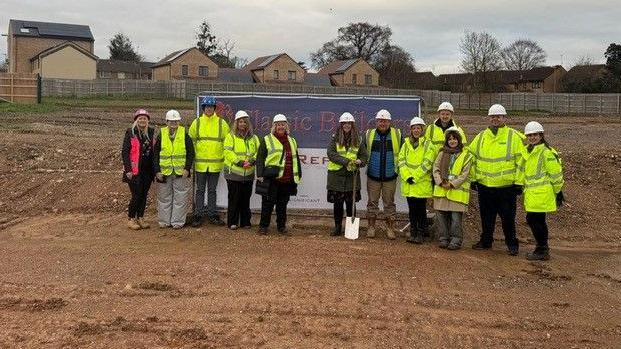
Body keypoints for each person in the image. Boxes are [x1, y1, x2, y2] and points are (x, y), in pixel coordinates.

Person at [469, 104, 525, 256]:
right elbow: (471, 158)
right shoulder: (481, 137)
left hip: (506, 188)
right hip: (485, 186)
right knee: (486, 217)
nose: (495, 119)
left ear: (504, 118)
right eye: (493, 116)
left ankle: (512, 244)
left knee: (508, 219)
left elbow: (521, 161)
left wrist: (519, 182)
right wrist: (473, 179)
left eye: (498, 116)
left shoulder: (514, 136)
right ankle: (486, 241)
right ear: (489, 118)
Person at [517, 121, 564, 260]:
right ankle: (542, 248)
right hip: (532, 194)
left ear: (541, 135)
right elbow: (523, 171)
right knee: (535, 220)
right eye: (529, 135)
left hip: (541, 194)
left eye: (535, 135)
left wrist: (558, 191)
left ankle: (542, 249)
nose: (532, 137)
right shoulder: (528, 150)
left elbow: (556, 174)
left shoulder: (546, 152)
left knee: (535, 220)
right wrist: (518, 184)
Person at [255, 114, 302, 235]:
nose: (281, 127)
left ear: (286, 126)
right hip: (271, 177)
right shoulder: (267, 139)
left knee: (282, 205)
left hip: (287, 179)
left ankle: (281, 227)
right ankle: (263, 226)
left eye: (283, 124)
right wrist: (260, 174)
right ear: (274, 126)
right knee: (267, 203)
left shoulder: (292, 140)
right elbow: (260, 158)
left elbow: (295, 159)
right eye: (278, 125)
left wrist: (297, 175)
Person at [189, 96, 230, 227]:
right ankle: (198, 215)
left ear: (214, 109)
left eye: (211, 107)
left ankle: (212, 214)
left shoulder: (221, 123)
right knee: (200, 190)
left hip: (215, 165)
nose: (209, 109)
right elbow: (191, 142)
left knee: (212, 190)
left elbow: (227, 143)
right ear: (203, 108)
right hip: (200, 164)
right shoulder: (197, 122)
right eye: (207, 107)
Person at [326, 112, 368, 236]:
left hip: (351, 178)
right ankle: (337, 227)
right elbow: (331, 153)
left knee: (351, 204)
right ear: (341, 124)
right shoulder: (335, 138)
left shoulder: (358, 139)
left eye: (349, 123)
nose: (347, 125)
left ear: (352, 125)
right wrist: (347, 161)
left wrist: (361, 161)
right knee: (338, 204)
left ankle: (350, 229)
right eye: (344, 123)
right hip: (336, 177)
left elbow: (364, 156)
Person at [432, 127, 473, 250]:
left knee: (456, 218)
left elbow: (465, 174)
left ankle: (456, 240)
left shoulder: (466, 155)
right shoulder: (441, 153)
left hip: (456, 192)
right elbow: (436, 168)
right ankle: (443, 238)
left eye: (454, 139)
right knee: (441, 216)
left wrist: (452, 184)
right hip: (441, 191)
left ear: (459, 140)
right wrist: (440, 182)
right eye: (449, 139)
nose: (452, 141)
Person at [363, 109, 402, 239]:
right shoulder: (369, 134)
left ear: (389, 122)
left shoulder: (397, 134)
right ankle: (371, 227)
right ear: (376, 121)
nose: (382, 123)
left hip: (390, 176)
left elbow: (404, 153)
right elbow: (362, 152)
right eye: (380, 121)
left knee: (389, 204)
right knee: (372, 203)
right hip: (373, 176)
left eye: (385, 121)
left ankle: (390, 229)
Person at [153, 110, 195, 229]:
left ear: (179, 121)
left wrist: (187, 168)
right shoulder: (161, 134)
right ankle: (164, 221)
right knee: (164, 198)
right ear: (166, 122)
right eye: (171, 121)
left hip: (180, 172)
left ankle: (177, 222)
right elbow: (155, 154)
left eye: (176, 121)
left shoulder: (184, 133)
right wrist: (157, 171)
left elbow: (190, 152)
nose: (173, 123)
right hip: (164, 172)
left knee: (180, 198)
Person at [398, 117, 437, 243]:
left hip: (421, 184)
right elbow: (401, 161)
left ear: (422, 129)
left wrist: (414, 176)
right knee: (412, 210)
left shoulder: (428, 145)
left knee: (420, 210)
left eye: (418, 128)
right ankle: (413, 232)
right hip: (409, 183)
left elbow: (427, 163)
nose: (416, 130)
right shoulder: (405, 144)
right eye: (414, 128)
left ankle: (420, 233)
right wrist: (407, 176)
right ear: (410, 130)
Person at [223, 110, 260, 230]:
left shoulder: (254, 138)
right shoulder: (230, 136)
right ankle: (232, 222)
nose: (243, 124)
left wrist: (253, 161)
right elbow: (227, 152)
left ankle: (245, 222)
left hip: (248, 174)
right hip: (234, 173)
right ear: (236, 123)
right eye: (240, 122)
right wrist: (239, 162)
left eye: (245, 122)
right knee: (234, 199)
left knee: (245, 199)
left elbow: (258, 152)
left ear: (248, 124)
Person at [121, 109, 156, 230]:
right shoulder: (130, 132)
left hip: (147, 170)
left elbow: (153, 152)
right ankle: (131, 218)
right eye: (140, 118)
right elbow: (125, 152)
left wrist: (155, 170)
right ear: (136, 120)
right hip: (134, 170)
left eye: (145, 118)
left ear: (148, 121)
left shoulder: (150, 132)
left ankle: (140, 217)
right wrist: (128, 169)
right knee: (136, 195)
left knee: (144, 194)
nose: (142, 120)